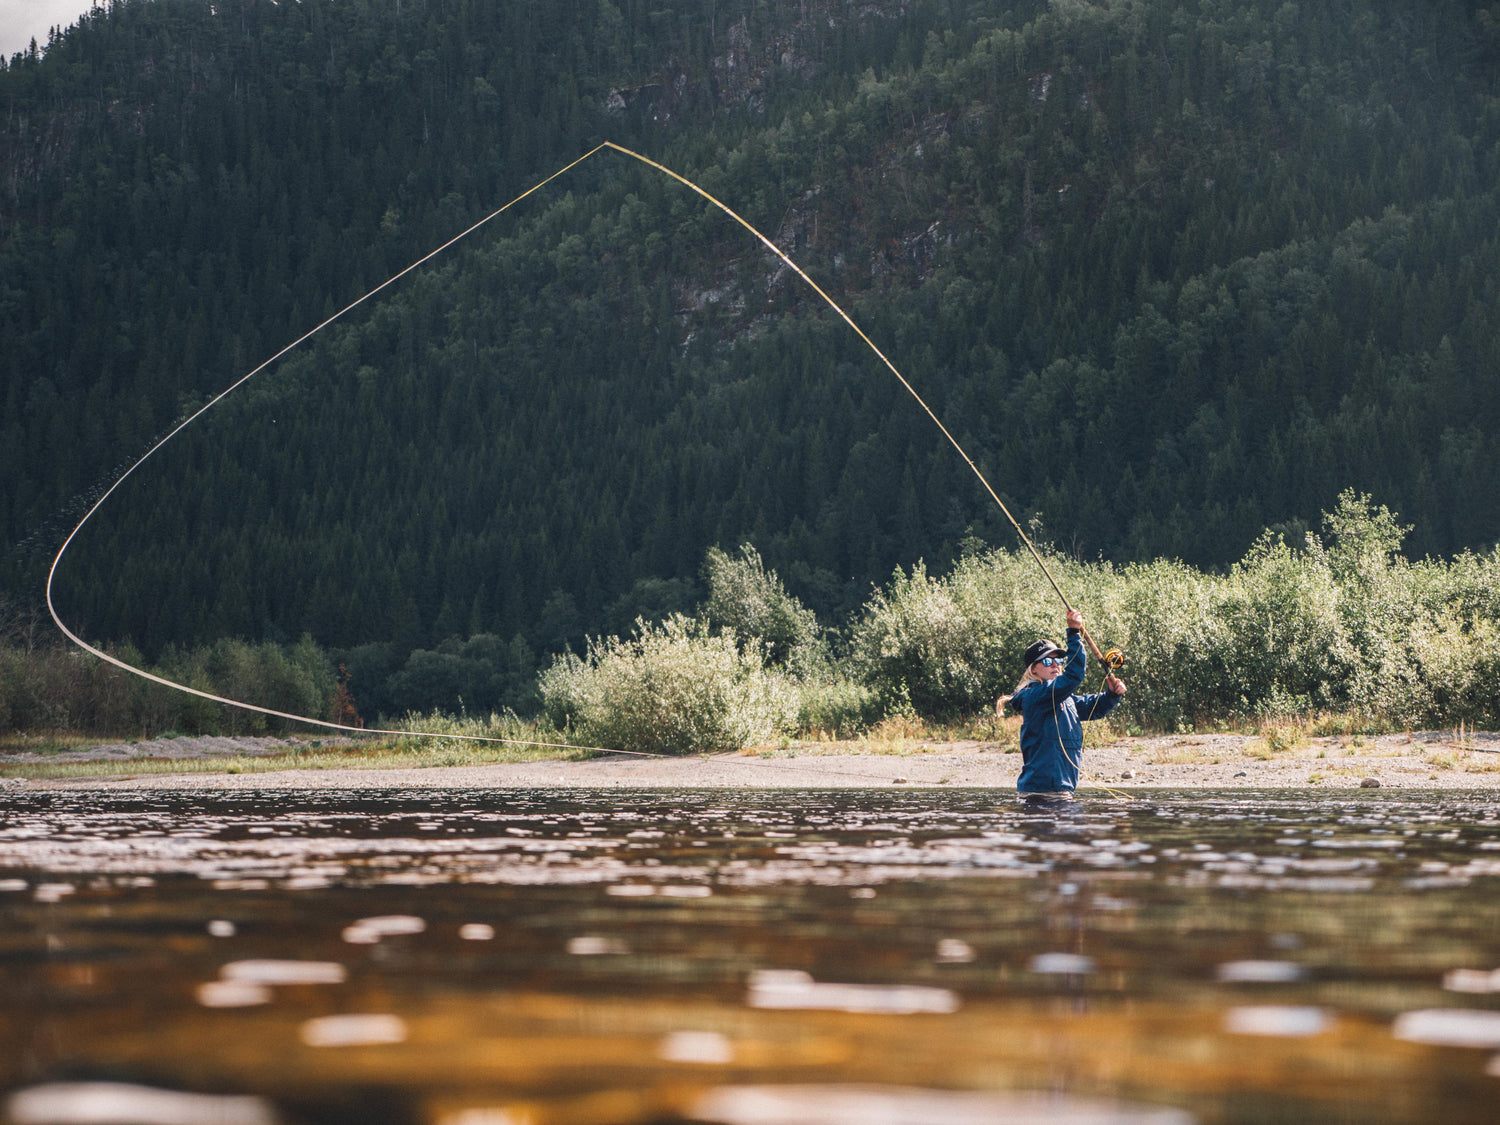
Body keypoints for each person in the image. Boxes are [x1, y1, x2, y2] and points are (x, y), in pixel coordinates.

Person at [996, 609, 1125, 800]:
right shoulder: (1036, 696)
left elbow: (1093, 708)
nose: (1056, 664)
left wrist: (1112, 695)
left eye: (1059, 660)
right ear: (1034, 669)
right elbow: (1074, 675)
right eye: (1048, 661)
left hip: (1060, 792)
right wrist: (1073, 633)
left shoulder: (1064, 698)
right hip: (1040, 794)